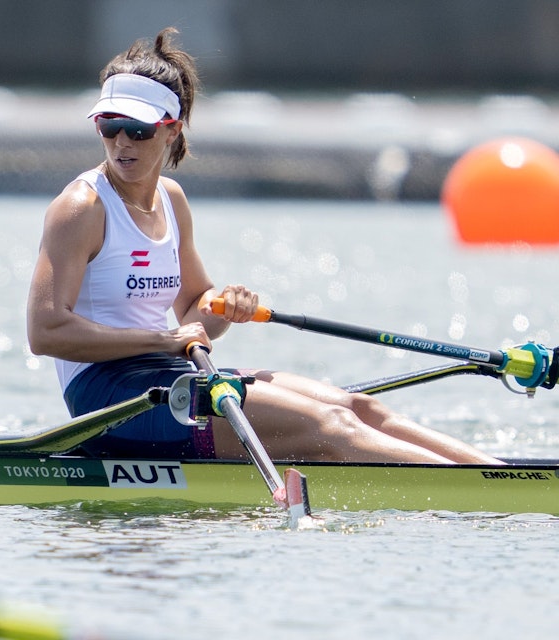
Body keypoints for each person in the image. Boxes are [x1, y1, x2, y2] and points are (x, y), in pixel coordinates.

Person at [25, 28, 502, 465]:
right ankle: (486, 505)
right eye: (109, 126)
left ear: (173, 128)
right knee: (331, 428)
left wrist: (225, 304)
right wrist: (166, 340)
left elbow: (195, 306)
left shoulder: (171, 200)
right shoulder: (81, 208)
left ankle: (502, 477)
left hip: (168, 376)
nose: (121, 143)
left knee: (357, 407)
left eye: (139, 130)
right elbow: (45, 332)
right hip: (111, 401)